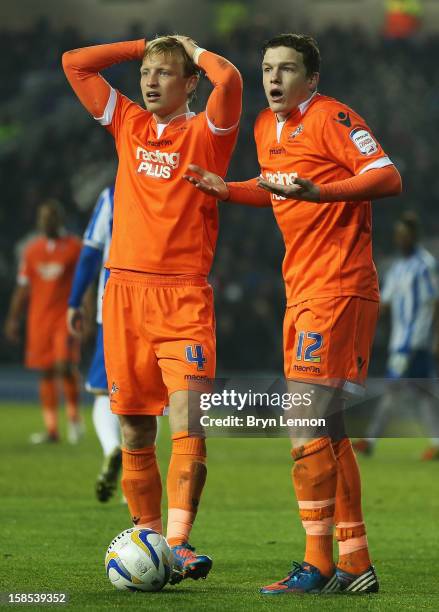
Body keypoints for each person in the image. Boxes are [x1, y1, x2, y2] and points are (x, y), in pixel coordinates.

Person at [185, 33, 402, 594]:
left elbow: (388, 177)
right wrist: (227, 190)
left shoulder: (333, 118)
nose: (274, 79)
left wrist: (323, 194)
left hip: (338, 287)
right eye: (266, 69)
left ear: (312, 79)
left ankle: (318, 564)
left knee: (302, 423)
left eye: (286, 69)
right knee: (328, 431)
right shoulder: (263, 127)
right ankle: (355, 565)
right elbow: (278, 190)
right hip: (301, 289)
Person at [62, 34, 242, 582]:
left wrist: (192, 49)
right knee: (136, 432)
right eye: (146, 71)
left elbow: (230, 80)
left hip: (183, 296)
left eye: (165, 72)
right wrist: (141, 45)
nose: (150, 80)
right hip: (124, 296)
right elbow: (75, 63)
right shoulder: (128, 123)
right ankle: (149, 535)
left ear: (190, 83)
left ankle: (181, 544)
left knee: (190, 425)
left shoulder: (206, 134)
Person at [354, 212, 439, 460]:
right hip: (399, 342)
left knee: (393, 389)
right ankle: (436, 442)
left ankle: (369, 441)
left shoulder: (425, 265)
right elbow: (385, 303)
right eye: (398, 235)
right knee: (423, 393)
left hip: (413, 342)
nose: (400, 239)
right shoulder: (398, 268)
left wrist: (436, 337)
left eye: (404, 235)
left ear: (413, 236)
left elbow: (435, 302)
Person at [4, 200, 83, 444]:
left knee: (64, 366)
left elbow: (85, 283)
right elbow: (22, 288)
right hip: (39, 320)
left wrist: (86, 312)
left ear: (59, 219)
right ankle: (51, 430)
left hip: (65, 317)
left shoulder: (74, 247)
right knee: (46, 371)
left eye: (50, 217)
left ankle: (73, 419)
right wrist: (13, 319)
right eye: (42, 217)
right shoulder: (32, 250)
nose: (45, 221)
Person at [67, 185, 124, 501]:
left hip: (113, 302)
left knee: (104, 389)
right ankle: (137, 478)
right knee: (149, 397)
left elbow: (91, 250)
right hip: (161, 303)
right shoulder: (174, 181)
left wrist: (75, 301)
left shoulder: (112, 194)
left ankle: (111, 447)